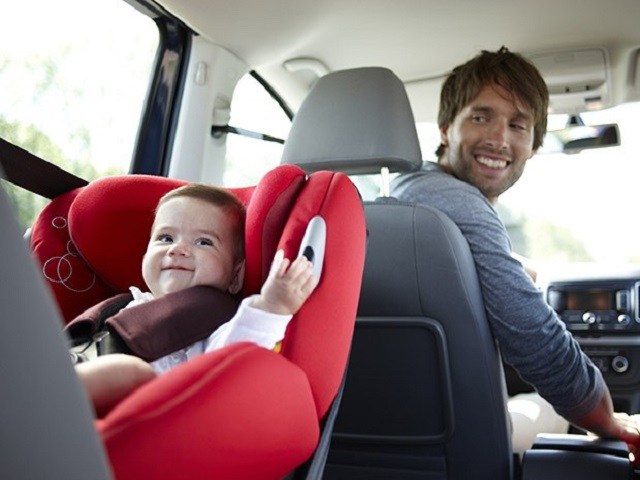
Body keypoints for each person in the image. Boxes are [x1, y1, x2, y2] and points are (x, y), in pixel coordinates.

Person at [391, 47, 640, 458]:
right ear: (444, 127)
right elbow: (535, 340)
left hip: (380, 432)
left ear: (534, 145)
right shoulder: (464, 206)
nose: (499, 139)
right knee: (550, 409)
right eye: (481, 116)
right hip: (452, 447)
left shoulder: (401, 191)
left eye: (518, 125)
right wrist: (606, 419)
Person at [76, 183, 317, 417]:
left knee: (128, 373)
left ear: (235, 276)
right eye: (165, 238)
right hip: (80, 384)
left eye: (203, 242)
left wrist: (272, 307)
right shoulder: (123, 307)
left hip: (150, 419)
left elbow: (234, 357)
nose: (177, 249)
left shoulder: (217, 321)